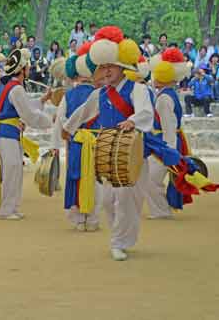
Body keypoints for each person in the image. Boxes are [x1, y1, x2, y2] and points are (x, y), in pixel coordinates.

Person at [62, 26, 154, 261]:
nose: (106, 71)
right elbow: (83, 113)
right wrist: (68, 128)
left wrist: (132, 121)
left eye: (110, 66)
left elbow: (145, 112)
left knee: (128, 199)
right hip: (107, 153)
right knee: (107, 200)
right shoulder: (100, 94)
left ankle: (120, 241)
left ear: (122, 66)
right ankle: (119, 238)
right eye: (103, 67)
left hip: (131, 154)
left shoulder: (138, 89)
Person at [0, 48, 53, 220]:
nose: (29, 69)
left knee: (15, 169)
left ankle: (12, 207)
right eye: (27, 67)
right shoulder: (15, 89)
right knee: (12, 168)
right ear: (22, 69)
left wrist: (43, 100)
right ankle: (6, 209)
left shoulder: (12, 87)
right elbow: (28, 114)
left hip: (8, 133)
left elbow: (26, 106)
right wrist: (48, 120)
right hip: (6, 133)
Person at [51, 41, 102, 231]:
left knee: (76, 176)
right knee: (95, 178)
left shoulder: (68, 95)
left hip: (75, 141)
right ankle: (93, 218)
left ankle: (79, 219)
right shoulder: (101, 94)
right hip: (96, 140)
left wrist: (57, 143)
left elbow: (60, 122)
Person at [145, 48, 191, 218]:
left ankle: (161, 210)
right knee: (151, 178)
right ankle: (162, 208)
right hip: (165, 141)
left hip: (164, 143)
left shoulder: (164, 98)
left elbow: (168, 126)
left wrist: (169, 150)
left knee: (150, 179)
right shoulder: (168, 94)